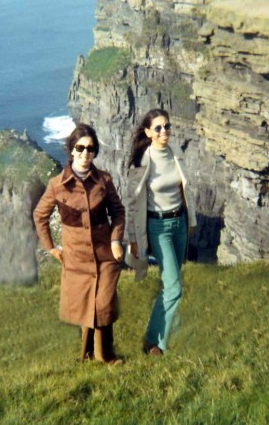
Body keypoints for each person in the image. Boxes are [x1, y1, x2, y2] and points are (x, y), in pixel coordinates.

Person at [33, 123, 125, 365]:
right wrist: (51, 247)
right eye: (80, 148)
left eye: (91, 149)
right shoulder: (56, 185)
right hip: (76, 259)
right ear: (71, 150)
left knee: (103, 304)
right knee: (87, 307)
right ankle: (88, 354)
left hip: (105, 255)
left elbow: (118, 212)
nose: (86, 153)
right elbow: (39, 215)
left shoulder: (104, 180)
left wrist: (116, 240)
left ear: (95, 152)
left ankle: (105, 356)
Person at [125, 109, 197, 356]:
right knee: (174, 287)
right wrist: (132, 239)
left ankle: (165, 331)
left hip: (179, 223)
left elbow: (184, 188)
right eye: (158, 128)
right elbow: (132, 202)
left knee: (171, 284)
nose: (164, 131)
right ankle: (154, 342)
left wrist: (191, 220)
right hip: (158, 227)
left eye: (167, 126)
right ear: (148, 132)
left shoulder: (176, 152)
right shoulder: (143, 161)